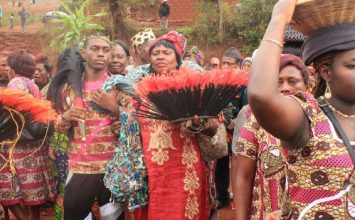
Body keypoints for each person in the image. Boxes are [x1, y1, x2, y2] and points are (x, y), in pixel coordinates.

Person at [248, 0, 355, 219]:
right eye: (353, 66)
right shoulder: (309, 116)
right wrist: (279, 19)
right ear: (326, 72)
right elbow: (261, 96)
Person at [136, 31, 226, 219]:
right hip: (151, 170)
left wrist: (202, 124)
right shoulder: (140, 89)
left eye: (166, 52)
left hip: (186, 167)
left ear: (177, 58)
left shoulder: (194, 87)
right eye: (156, 52)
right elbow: (129, 128)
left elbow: (215, 126)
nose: (160, 56)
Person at [234, 54, 309, 220]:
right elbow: (243, 178)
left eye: (293, 81)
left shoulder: (321, 121)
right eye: (278, 82)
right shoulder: (256, 124)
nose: (285, 87)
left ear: (307, 86)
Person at [52, 36, 120, 219]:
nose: (101, 54)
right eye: (95, 49)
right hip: (80, 165)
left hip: (113, 167)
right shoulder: (69, 89)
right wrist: (65, 117)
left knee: (112, 217)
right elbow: (58, 129)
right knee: (75, 215)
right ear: (83, 53)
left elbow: (133, 127)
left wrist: (114, 108)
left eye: (106, 50)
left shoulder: (118, 86)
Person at [0, 51, 57, 220]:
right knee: (30, 194)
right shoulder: (31, 84)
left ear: (14, 68)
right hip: (34, 144)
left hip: (18, 145)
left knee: (8, 191)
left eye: (8, 67)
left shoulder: (15, 83)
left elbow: (13, 118)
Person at [215, 46, 244, 209]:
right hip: (223, 129)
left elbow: (248, 106)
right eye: (223, 63)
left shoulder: (244, 82)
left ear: (237, 65)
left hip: (240, 130)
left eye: (229, 63)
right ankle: (222, 195)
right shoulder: (218, 82)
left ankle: (242, 197)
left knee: (241, 165)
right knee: (221, 164)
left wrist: (236, 121)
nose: (225, 66)